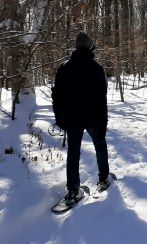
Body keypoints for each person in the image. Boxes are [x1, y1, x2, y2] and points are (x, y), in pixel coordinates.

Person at [52, 31, 112, 205]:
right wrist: (104, 122)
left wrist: (60, 119)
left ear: (76, 46)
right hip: (93, 117)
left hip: (72, 119)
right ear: (89, 46)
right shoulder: (96, 69)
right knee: (100, 145)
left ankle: (73, 189)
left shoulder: (64, 68)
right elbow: (102, 98)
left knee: (73, 152)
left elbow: (57, 97)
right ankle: (103, 179)